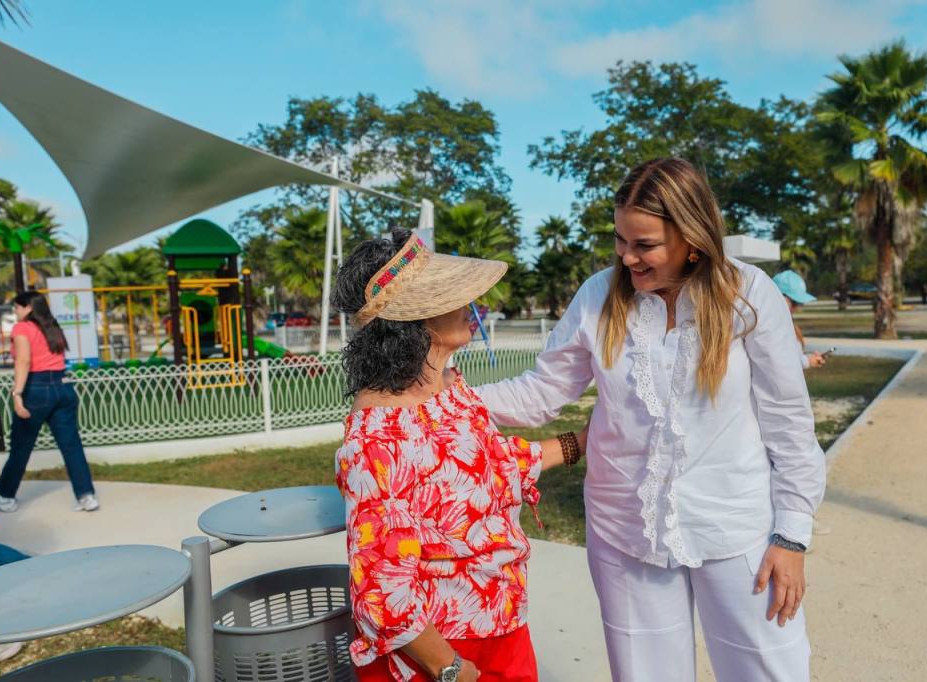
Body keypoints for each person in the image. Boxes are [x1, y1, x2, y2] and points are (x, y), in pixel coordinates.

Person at [476, 158, 825, 682]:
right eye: (620, 240)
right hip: (624, 530)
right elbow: (543, 391)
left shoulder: (748, 294)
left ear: (693, 238)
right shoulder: (598, 295)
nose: (626, 256)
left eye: (644, 245)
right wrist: (445, 397)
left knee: (769, 671)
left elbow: (789, 424)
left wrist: (793, 537)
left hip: (735, 524)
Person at [331, 228, 588, 682]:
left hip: (500, 624)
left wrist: (578, 444)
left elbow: (484, 467)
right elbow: (380, 588)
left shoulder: (448, 388)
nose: (473, 308)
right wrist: (452, 670)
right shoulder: (376, 441)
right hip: (444, 650)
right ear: (420, 321)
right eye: (456, 299)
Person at [0, 291, 98, 513]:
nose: (15, 312)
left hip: (36, 389)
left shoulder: (22, 328)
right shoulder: (51, 326)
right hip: (63, 386)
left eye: (17, 308)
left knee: (21, 446)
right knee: (71, 446)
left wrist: (17, 394)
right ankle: (86, 496)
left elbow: (24, 361)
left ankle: (4, 496)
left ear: (28, 307)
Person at [773, 270, 826, 370]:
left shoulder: (788, 325)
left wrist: (809, 358)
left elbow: (791, 355)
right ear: (778, 296)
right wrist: (808, 361)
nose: (796, 308)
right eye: (794, 302)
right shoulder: (769, 327)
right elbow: (778, 362)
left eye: (799, 304)